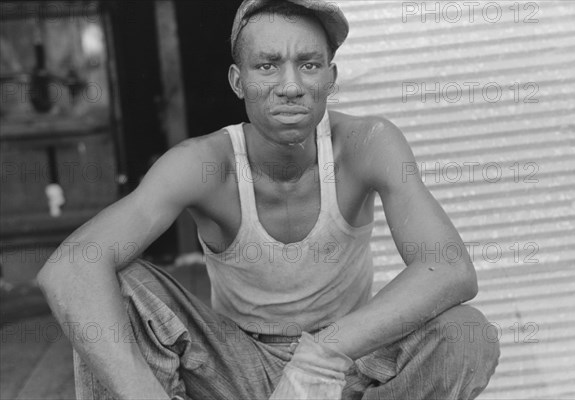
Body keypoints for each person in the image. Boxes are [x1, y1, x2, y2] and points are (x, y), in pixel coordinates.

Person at [37, 1, 500, 399]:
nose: (291, 85)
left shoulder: (367, 144)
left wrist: (323, 353)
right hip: (236, 369)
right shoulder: (204, 163)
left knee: (466, 332)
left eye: (309, 64)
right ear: (238, 81)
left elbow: (450, 268)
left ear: (331, 77)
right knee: (113, 284)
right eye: (268, 65)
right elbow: (70, 266)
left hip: (348, 365)